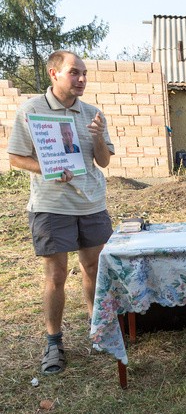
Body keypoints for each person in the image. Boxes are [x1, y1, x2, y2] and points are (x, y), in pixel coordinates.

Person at [7, 50, 114, 375]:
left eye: (84, 73)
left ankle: (99, 331)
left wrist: (97, 138)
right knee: (55, 276)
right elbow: (15, 157)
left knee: (94, 269)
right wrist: (48, 168)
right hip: (52, 207)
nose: (81, 79)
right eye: (74, 73)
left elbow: (104, 161)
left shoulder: (93, 113)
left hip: (92, 204)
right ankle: (54, 343)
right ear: (54, 74)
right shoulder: (31, 111)